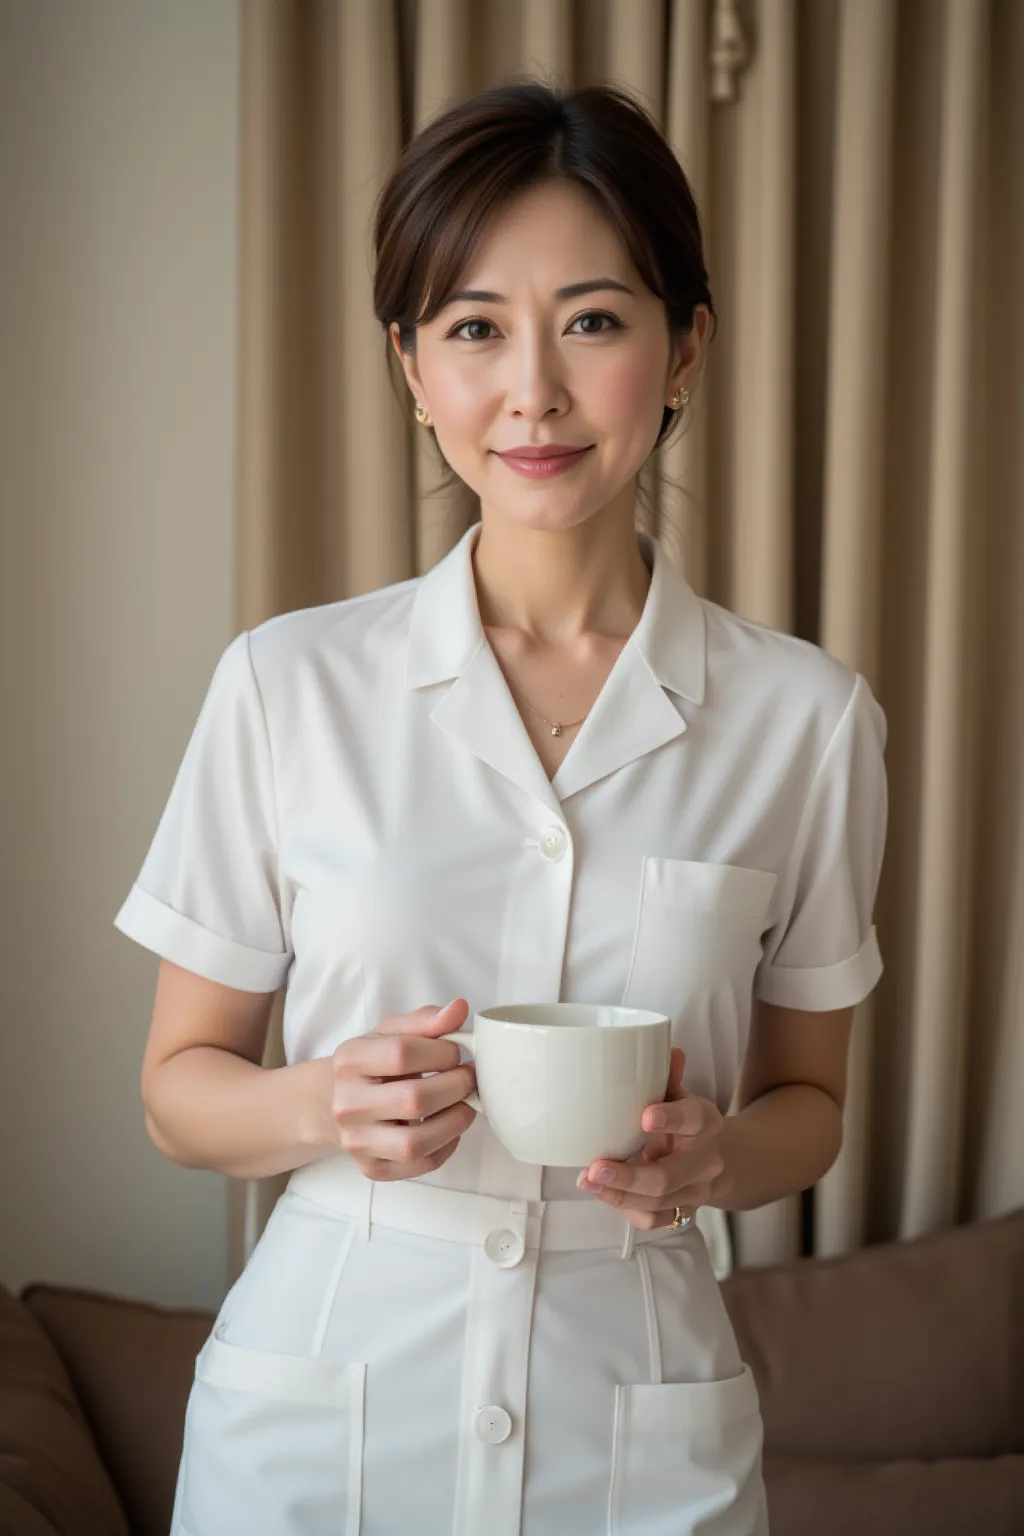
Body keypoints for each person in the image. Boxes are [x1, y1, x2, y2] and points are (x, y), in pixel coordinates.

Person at [114, 81, 887, 1536]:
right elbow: (177, 1087)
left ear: (684, 351)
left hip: (638, 1427)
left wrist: (718, 1155)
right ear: (412, 368)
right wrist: (320, 1103)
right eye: (472, 328)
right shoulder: (289, 686)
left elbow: (813, 1105)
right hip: (319, 1421)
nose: (531, 388)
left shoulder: (808, 722)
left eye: (592, 320)